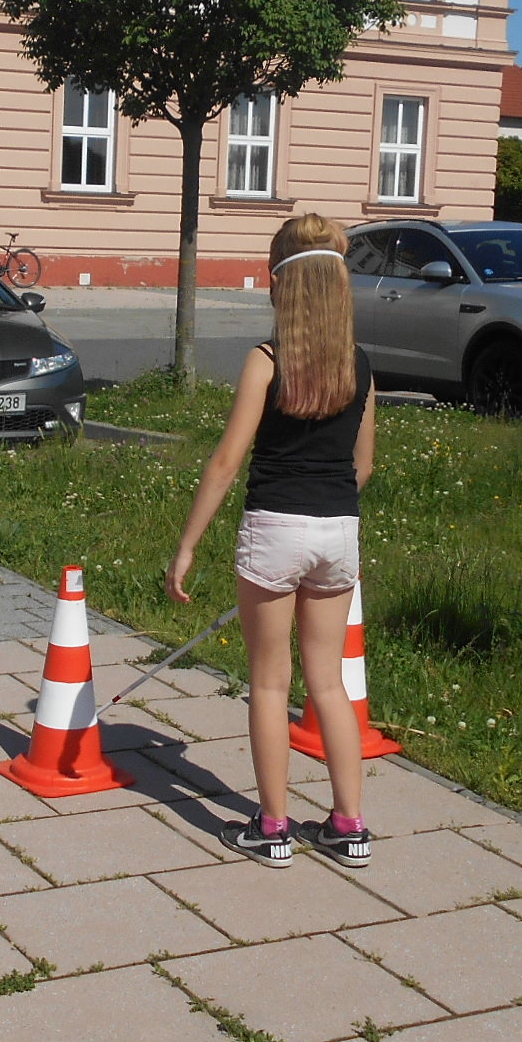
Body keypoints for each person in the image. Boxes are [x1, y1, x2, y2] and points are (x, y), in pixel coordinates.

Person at [167, 213, 378, 869]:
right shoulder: (361, 366)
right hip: (338, 530)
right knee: (329, 685)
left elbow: (227, 461)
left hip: (274, 528)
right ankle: (348, 827)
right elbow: (364, 465)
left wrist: (188, 545)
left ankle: (273, 826)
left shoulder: (266, 361)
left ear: (281, 286)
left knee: (267, 683)